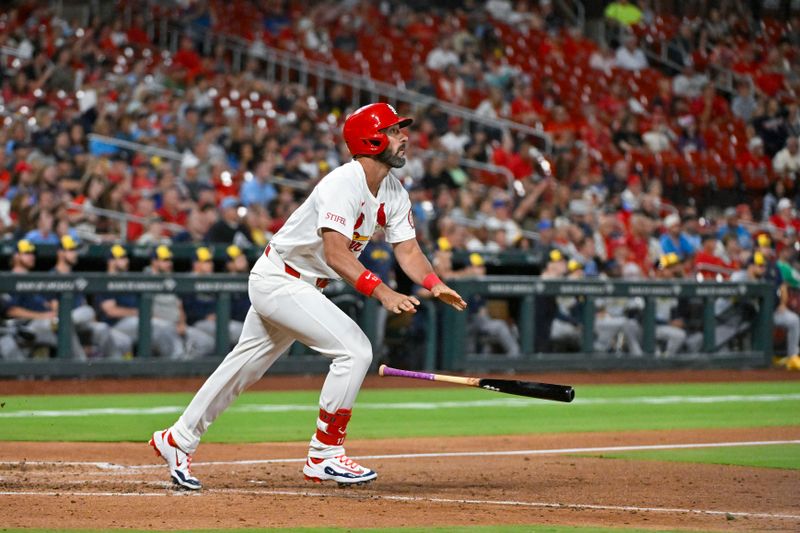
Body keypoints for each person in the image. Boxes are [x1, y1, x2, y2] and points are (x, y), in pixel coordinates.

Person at [149, 103, 467, 490]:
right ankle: (325, 455)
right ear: (372, 138)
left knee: (241, 368)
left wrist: (434, 283)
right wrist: (383, 292)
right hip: (281, 280)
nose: (405, 138)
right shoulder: (342, 183)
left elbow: (408, 249)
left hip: (298, 284)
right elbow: (336, 254)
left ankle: (177, 439)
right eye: (396, 130)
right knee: (355, 351)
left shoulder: (393, 191)